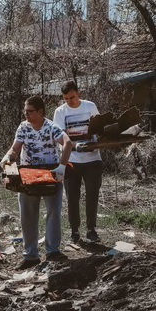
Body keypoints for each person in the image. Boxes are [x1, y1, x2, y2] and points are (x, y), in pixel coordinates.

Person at [0, 96, 73, 269]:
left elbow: (68, 143)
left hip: (50, 173)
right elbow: (15, 149)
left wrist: (62, 166)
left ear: (40, 112)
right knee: (27, 214)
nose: (26, 114)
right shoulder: (23, 127)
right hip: (29, 174)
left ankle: (53, 251)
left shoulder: (51, 127)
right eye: (25, 111)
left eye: (30, 111)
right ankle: (31, 255)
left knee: (53, 212)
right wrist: (8, 157)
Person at [53, 80, 102, 243]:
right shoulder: (60, 111)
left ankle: (91, 229)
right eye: (66, 98)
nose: (69, 101)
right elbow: (60, 137)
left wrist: (96, 142)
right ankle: (74, 231)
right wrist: (75, 146)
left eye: (72, 97)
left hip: (92, 159)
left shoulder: (90, 106)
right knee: (72, 197)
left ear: (78, 93)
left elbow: (99, 129)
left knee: (92, 195)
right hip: (71, 160)